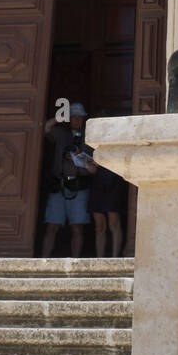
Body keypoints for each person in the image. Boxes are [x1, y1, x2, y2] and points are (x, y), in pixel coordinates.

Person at [41, 102, 96, 257]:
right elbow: (46, 128)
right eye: (73, 117)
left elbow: (94, 168)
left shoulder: (89, 139)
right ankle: (44, 261)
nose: (77, 120)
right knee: (51, 226)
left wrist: (77, 157)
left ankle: (75, 262)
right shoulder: (61, 135)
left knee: (77, 227)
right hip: (59, 185)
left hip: (79, 187)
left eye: (80, 117)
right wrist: (60, 118)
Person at [88, 111, 126, 257]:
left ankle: (115, 258)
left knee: (114, 223)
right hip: (97, 183)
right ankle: (100, 258)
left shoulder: (118, 139)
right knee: (99, 226)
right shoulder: (92, 141)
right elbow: (91, 164)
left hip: (113, 181)